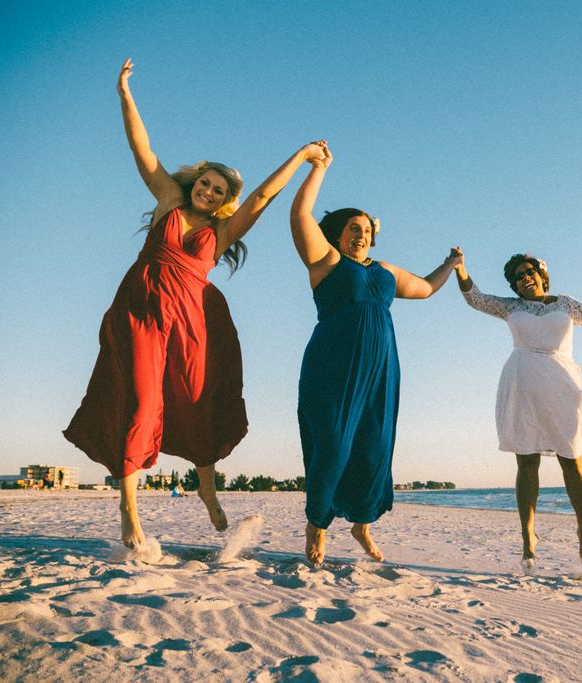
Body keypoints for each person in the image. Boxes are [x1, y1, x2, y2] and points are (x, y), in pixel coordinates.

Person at [64, 58, 326, 547]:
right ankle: (129, 510)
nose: (208, 191)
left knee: (198, 403)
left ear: (226, 200)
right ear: (194, 182)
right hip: (140, 310)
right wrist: (124, 93)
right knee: (142, 402)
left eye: (219, 190)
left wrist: (301, 154)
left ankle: (206, 490)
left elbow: (265, 195)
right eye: (205, 182)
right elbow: (141, 149)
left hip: (190, 319)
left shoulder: (222, 231)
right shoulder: (168, 201)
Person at [289, 141, 462, 565]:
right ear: (338, 234)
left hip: (381, 369)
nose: (361, 233)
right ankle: (317, 523)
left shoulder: (385, 272)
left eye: (367, 229)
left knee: (374, 447)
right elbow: (299, 216)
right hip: (333, 366)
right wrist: (318, 169)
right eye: (353, 227)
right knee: (332, 443)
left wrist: (451, 263)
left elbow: (423, 287)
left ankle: (362, 525)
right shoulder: (325, 261)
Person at [454, 252, 582, 573]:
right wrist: (460, 268)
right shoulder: (511, 307)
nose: (524, 279)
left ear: (541, 275)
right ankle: (527, 538)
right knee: (527, 460)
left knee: (572, 459)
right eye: (517, 277)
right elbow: (476, 299)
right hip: (522, 382)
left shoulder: (566, 303)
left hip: (563, 382)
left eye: (528, 272)